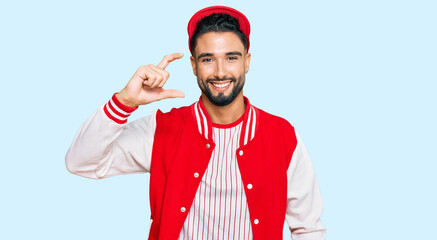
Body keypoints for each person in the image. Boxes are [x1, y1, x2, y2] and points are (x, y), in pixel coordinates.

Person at [66, 5, 326, 240]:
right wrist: (124, 101)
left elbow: (309, 228)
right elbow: (81, 162)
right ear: (193, 65)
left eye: (232, 58)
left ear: (247, 62)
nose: (221, 72)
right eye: (208, 59)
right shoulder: (162, 129)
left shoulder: (282, 136)